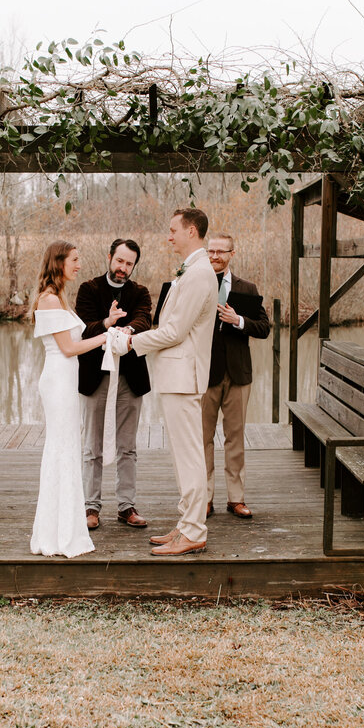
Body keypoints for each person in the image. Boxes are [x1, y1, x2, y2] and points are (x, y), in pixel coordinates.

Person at [126, 208, 218, 556]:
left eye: (173, 230)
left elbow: (176, 331)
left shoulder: (197, 274)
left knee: (190, 455)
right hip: (177, 375)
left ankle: (194, 530)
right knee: (182, 456)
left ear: (191, 231)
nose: (169, 236)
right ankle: (185, 524)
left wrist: (133, 342)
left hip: (184, 376)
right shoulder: (191, 270)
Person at [29, 240, 108, 558]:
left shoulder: (59, 297)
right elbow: (68, 348)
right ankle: (56, 534)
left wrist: (107, 327)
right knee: (61, 450)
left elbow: (75, 339)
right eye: (74, 260)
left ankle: (65, 527)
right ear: (58, 262)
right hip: (58, 381)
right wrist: (105, 339)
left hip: (65, 379)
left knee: (67, 450)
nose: (79, 265)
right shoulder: (48, 300)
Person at [75, 239, 152, 530]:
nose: (123, 268)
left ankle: (126, 506)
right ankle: (90, 507)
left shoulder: (140, 292)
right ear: (109, 257)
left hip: (130, 378)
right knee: (92, 445)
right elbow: (83, 328)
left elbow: (145, 319)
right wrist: (107, 323)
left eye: (129, 263)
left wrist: (128, 328)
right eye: (119, 261)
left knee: (127, 447)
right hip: (95, 376)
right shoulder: (89, 289)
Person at [201, 233, 271, 519]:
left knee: (235, 438)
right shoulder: (196, 283)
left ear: (232, 253)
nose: (215, 256)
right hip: (204, 374)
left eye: (221, 251)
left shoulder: (247, 288)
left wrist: (238, 320)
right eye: (211, 251)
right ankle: (204, 498)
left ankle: (236, 498)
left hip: (239, 374)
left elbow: (264, 328)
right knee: (202, 439)